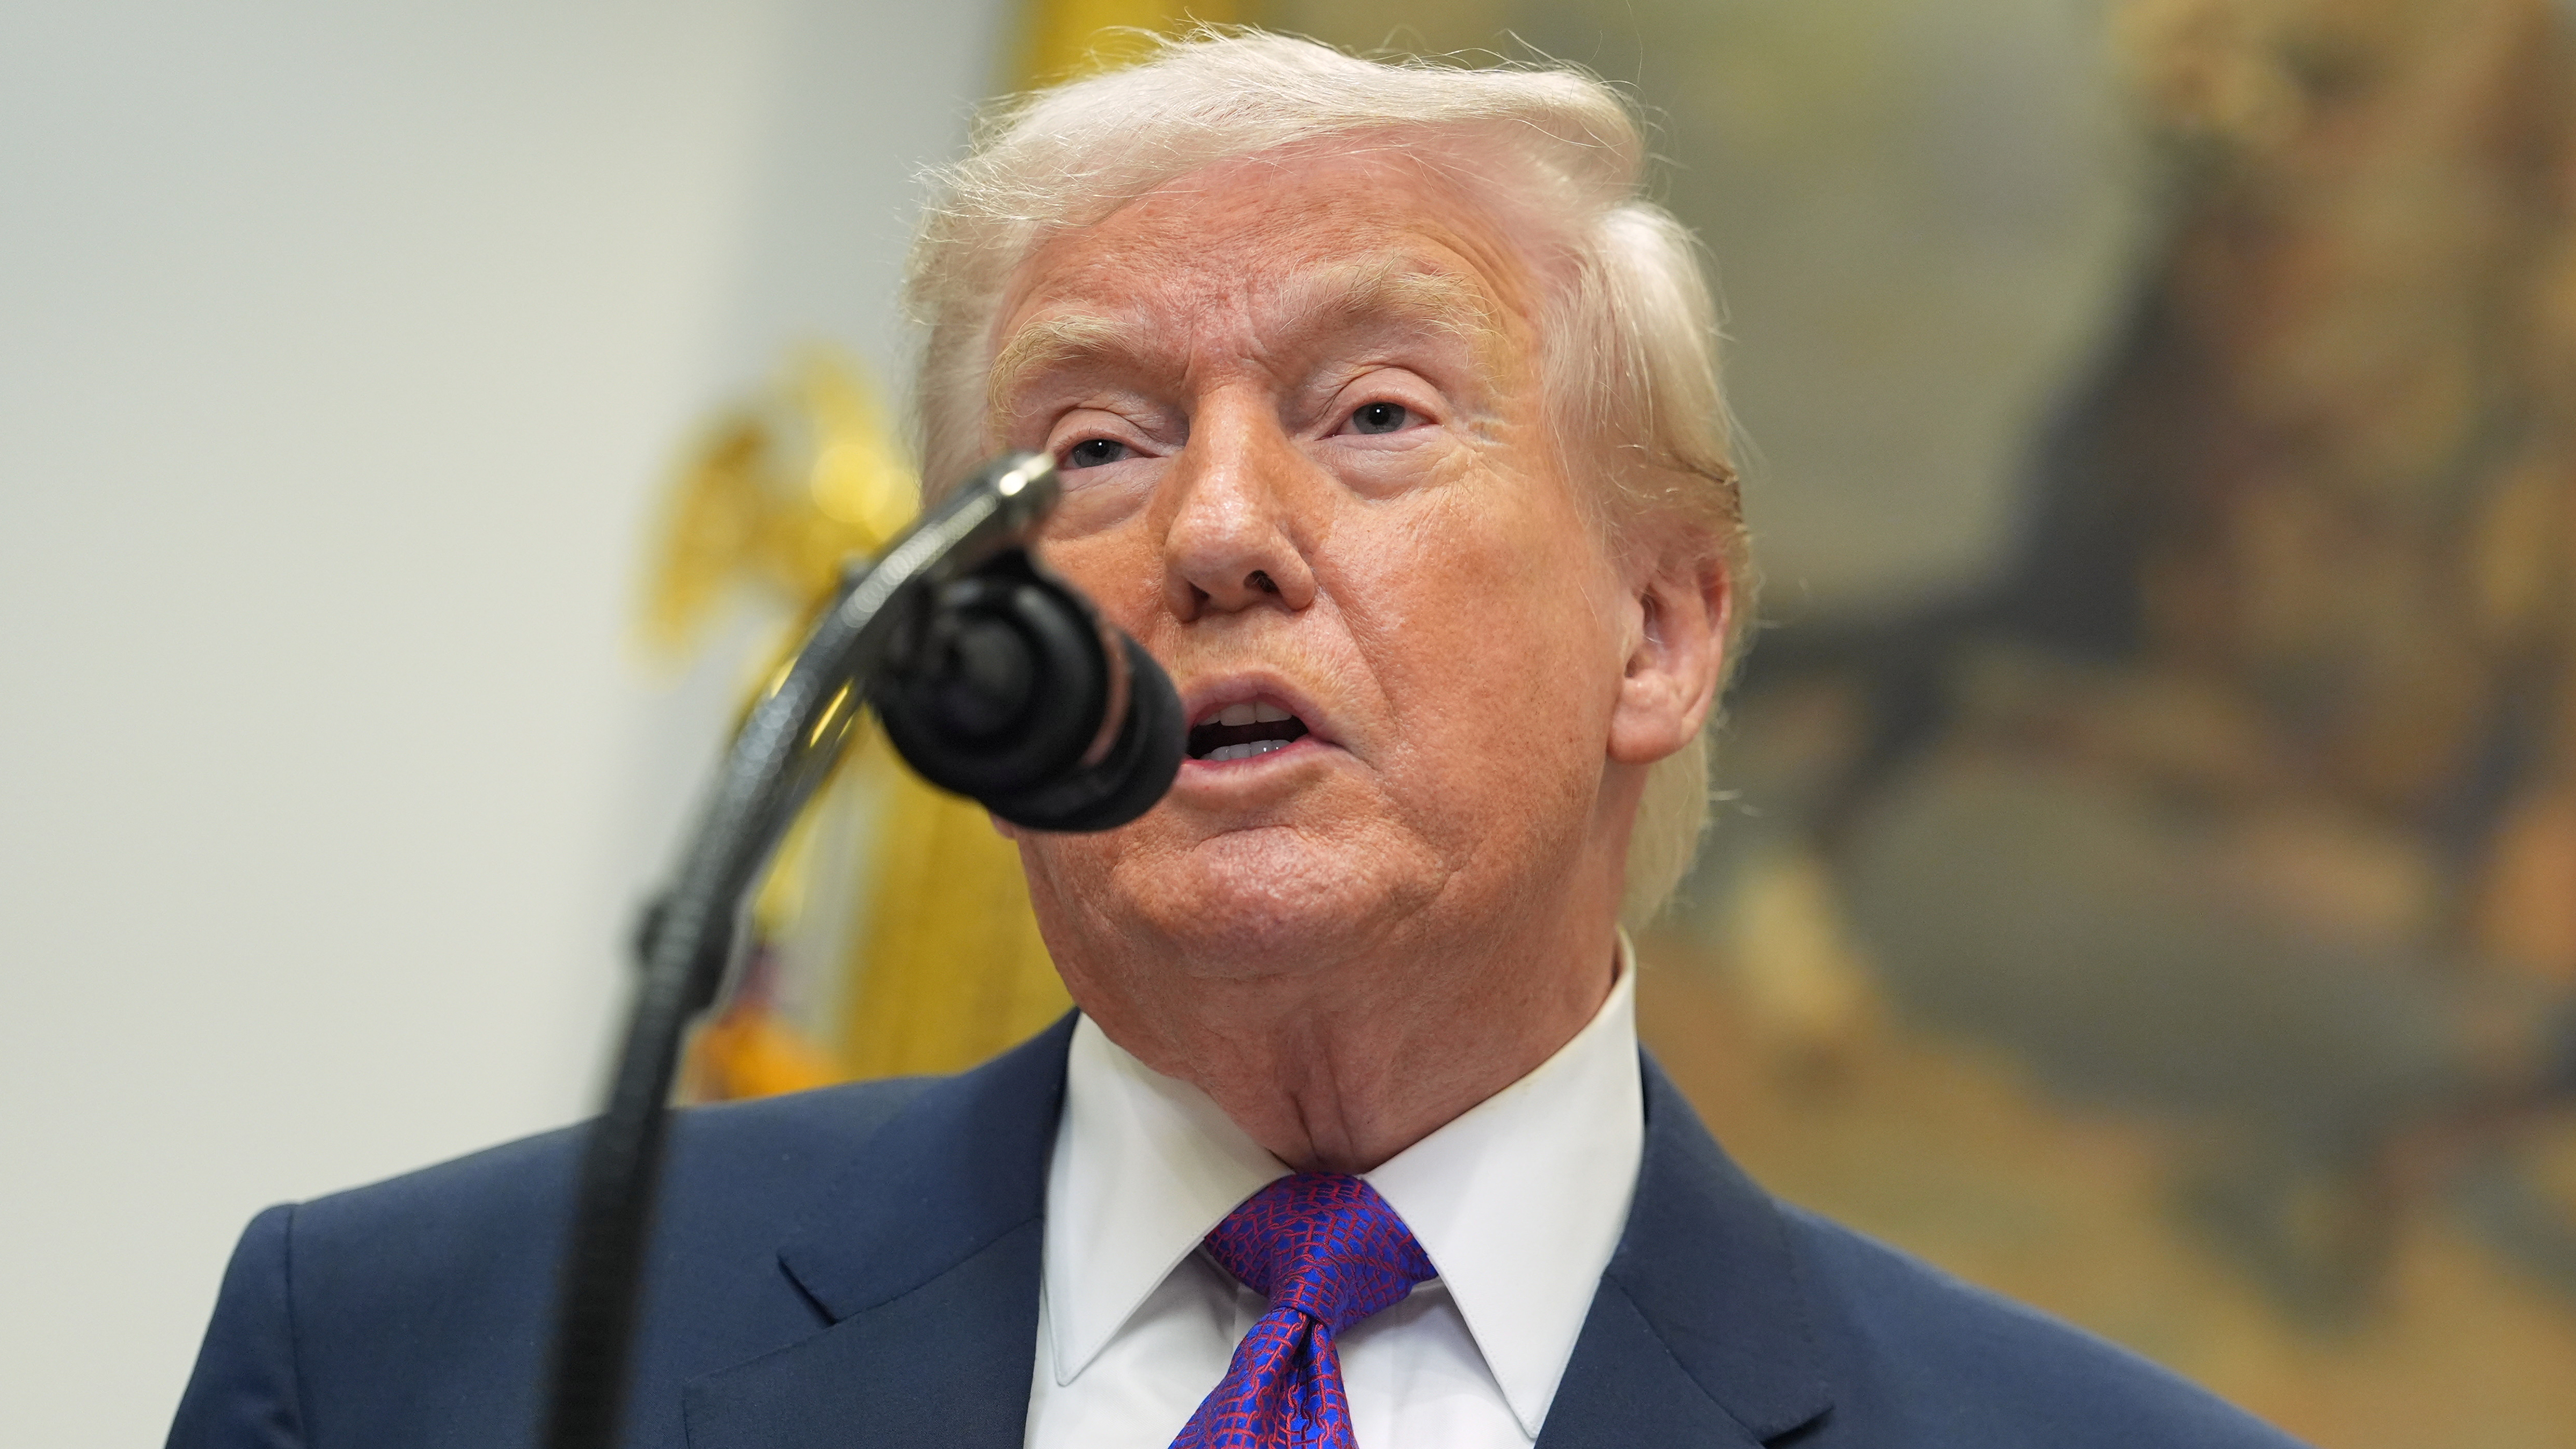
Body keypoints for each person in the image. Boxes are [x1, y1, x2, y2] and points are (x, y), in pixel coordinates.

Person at [169, 32, 2308, 1449]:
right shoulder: (391, 1356)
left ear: (1657, 629)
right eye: (1090, 445)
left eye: (1374, 412)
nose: (1208, 531)